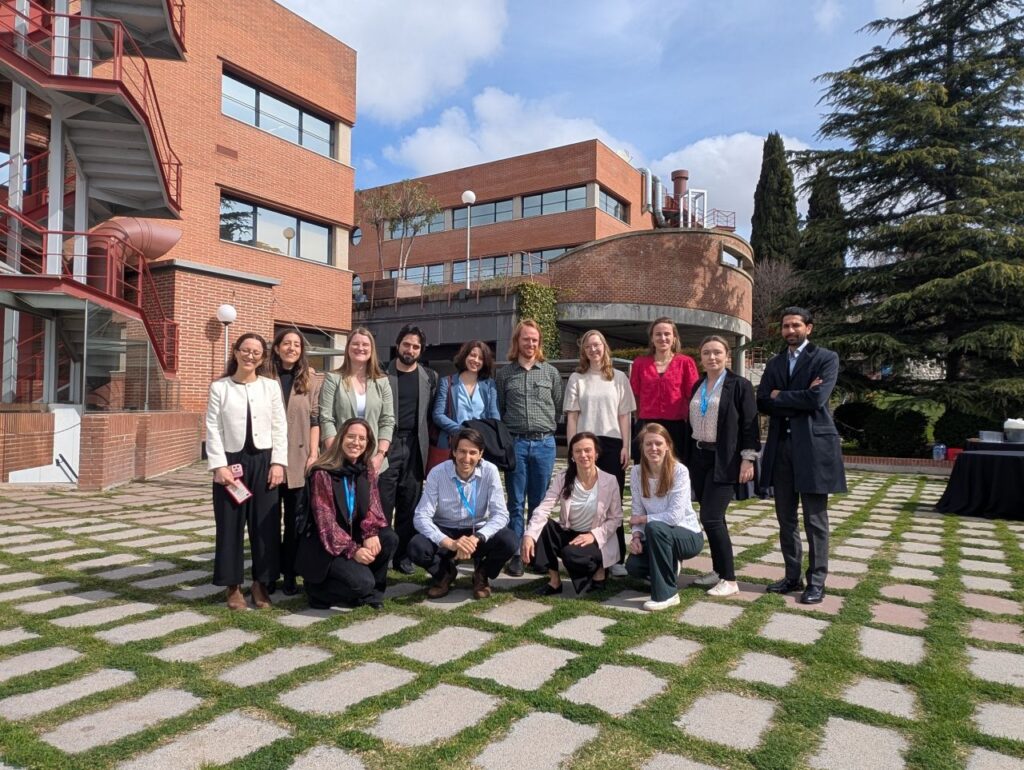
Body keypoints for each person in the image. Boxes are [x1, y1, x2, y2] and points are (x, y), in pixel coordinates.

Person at [757, 306, 846, 605]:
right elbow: (762, 401)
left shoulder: (825, 358)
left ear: (809, 328)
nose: (790, 330)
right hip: (781, 447)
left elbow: (817, 398)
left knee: (815, 520)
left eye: (796, 325)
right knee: (786, 519)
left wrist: (780, 396)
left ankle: (816, 582)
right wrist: (798, 396)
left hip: (813, 448)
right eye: (786, 326)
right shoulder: (775, 363)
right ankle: (792, 576)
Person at [206, 332, 287, 610]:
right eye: (245, 350)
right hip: (231, 462)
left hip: (264, 461)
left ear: (262, 358)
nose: (250, 356)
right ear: (236, 352)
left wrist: (278, 463)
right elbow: (213, 428)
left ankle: (261, 584)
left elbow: (280, 426)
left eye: (256, 352)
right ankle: (232, 586)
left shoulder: (270, 387)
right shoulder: (220, 388)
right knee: (229, 525)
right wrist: (218, 465)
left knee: (266, 526)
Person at [686, 336, 760, 597]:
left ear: (727, 355)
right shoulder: (698, 385)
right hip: (699, 457)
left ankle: (730, 579)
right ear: (701, 356)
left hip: (725, 458)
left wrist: (748, 458)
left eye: (717, 352)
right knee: (711, 518)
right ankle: (718, 571)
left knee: (711, 516)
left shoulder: (739, 385)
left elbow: (750, 424)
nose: (712, 357)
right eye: (706, 352)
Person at [297, 418, 398, 610]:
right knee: (362, 583)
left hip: (353, 534)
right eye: (351, 437)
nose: (356, 443)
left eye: (362, 438)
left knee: (388, 538)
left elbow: (374, 507)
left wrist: (370, 533)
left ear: (368, 443)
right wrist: (354, 551)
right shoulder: (322, 473)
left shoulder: (366, 470)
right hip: (326, 546)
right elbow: (326, 525)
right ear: (341, 439)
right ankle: (318, 591)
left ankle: (372, 594)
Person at [409, 428, 518, 600]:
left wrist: (477, 538)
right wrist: (450, 543)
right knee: (416, 546)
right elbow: (421, 516)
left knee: (510, 540)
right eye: (462, 451)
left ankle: (481, 574)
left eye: (473, 452)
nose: (466, 458)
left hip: (477, 531)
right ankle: (444, 574)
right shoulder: (437, 473)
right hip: (446, 530)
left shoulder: (490, 471)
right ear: (453, 452)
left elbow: (501, 515)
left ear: (481, 454)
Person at [563, 329, 635, 577]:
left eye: (597, 345)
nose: (593, 349)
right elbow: (572, 417)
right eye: (588, 346)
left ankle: (616, 557)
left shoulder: (619, 377)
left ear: (604, 347)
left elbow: (624, 416)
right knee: (588, 500)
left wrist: (626, 446)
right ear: (584, 351)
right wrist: (573, 448)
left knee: (613, 502)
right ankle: (586, 552)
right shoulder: (577, 378)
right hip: (586, 445)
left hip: (613, 444)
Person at [494, 319, 563, 577]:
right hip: (516, 444)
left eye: (534, 339)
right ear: (517, 341)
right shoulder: (504, 375)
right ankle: (516, 555)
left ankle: (536, 552)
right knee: (515, 501)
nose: (530, 343)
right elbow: (500, 408)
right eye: (526, 339)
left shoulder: (551, 373)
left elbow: (557, 407)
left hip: (544, 443)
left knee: (539, 501)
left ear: (539, 342)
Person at [522, 432, 621, 596]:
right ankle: (554, 582)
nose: (583, 455)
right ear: (572, 456)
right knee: (541, 527)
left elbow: (616, 518)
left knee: (570, 554)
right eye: (578, 451)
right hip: (570, 531)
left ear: (596, 453)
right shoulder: (563, 477)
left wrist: (593, 535)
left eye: (588, 450)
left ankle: (599, 572)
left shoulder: (609, 480)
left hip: (595, 536)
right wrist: (529, 535)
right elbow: (544, 507)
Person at [625, 423, 704, 611]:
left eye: (658, 443)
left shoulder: (679, 471)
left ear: (667, 445)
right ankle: (670, 565)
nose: (653, 448)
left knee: (655, 527)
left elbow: (674, 517)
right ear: (642, 447)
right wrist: (636, 536)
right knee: (633, 566)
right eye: (648, 444)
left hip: (687, 535)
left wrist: (643, 521)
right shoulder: (636, 472)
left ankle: (667, 594)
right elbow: (637, 510)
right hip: (657, 535)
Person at [380, 324, 438, 574]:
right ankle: (381, 554)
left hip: (415, 446)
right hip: (387, 443)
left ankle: (402, 556)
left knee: (410, 502)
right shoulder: (382, 372)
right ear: (398, 345)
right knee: (383, 502)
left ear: (420, 350)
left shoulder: (430, 377)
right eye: (406, 344)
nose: (410, 350)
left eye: (416, 346)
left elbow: (431, 414)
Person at [270, 329, 321, 596]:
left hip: (299, 459)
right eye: (287, 343)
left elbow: (315, 419)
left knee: (294, 522)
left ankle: (290, 573)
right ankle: (267, 573)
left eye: (297, 345)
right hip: (269, 460)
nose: (292, 348)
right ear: (276, 348)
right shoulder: (264, 377)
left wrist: (313, 454)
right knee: (267, 521)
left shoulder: (309, 379)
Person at [319, 326, 394, 470]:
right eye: (355, 344)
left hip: (372, 460)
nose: (360, 348)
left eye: (365, 344)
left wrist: (380, 454)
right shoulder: (333, 379)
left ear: (372, 349)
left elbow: (387, 420)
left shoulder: (382, 382)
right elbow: (326, 418)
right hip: (338, 458)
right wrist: (337, 454)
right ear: (348, 348)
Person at [629, 317, 699, 457]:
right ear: (652, 338)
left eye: (667, 334)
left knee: (675, 467)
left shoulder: (686, 363)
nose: (663, 338)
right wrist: (639, 418)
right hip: (647, 426)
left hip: (676, 427)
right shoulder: (640, 363)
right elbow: (634, 395)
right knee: (646, 467)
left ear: (674, 338)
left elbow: (693, 396)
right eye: (658, 334)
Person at [432, 339, 501, 448]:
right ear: (465, 356)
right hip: (453, 441)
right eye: (472, 355)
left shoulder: (490, 384)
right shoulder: (446, 382)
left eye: (481, 358)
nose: (476, 360)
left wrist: (484, 433)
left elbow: (495, 417)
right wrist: (462, 431)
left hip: (481, 442)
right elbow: (438, 415)